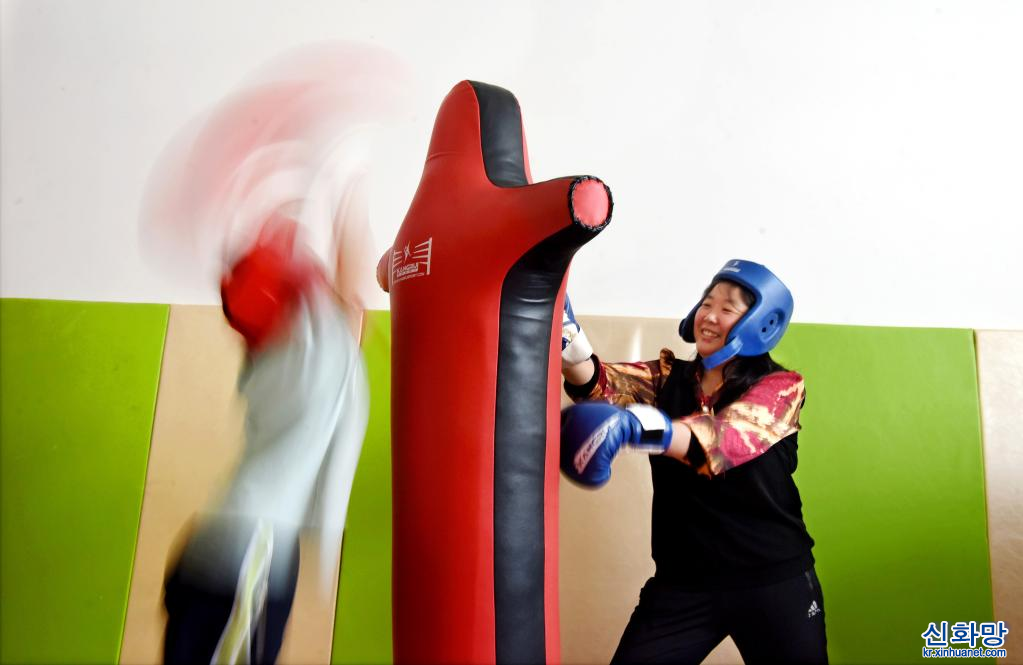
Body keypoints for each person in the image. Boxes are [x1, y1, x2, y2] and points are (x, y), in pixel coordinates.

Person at [559, 259, 827, 665]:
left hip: (772, 578)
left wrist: (640, 428)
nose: (710, 315)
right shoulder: (669, 378)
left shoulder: (780, 387)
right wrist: (568, 341)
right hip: (684, 582)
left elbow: (726, 440)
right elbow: (602, 385)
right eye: (707, 302)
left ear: (762, 322)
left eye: (728, 308)